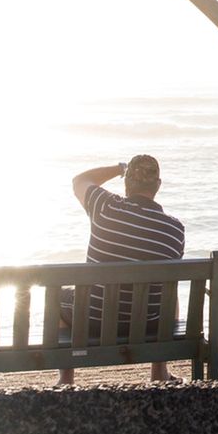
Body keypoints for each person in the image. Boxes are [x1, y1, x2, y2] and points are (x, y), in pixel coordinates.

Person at [59, 155, 185, 384]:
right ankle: (159, 372)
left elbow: (80, 180)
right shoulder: (174, 229)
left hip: (93, 318)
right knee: (170, 290)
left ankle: (66, 380)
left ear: (126, 184)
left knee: (59, 297)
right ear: (158, 185)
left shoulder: (105, 206)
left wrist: (119, 168)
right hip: (149, 324)